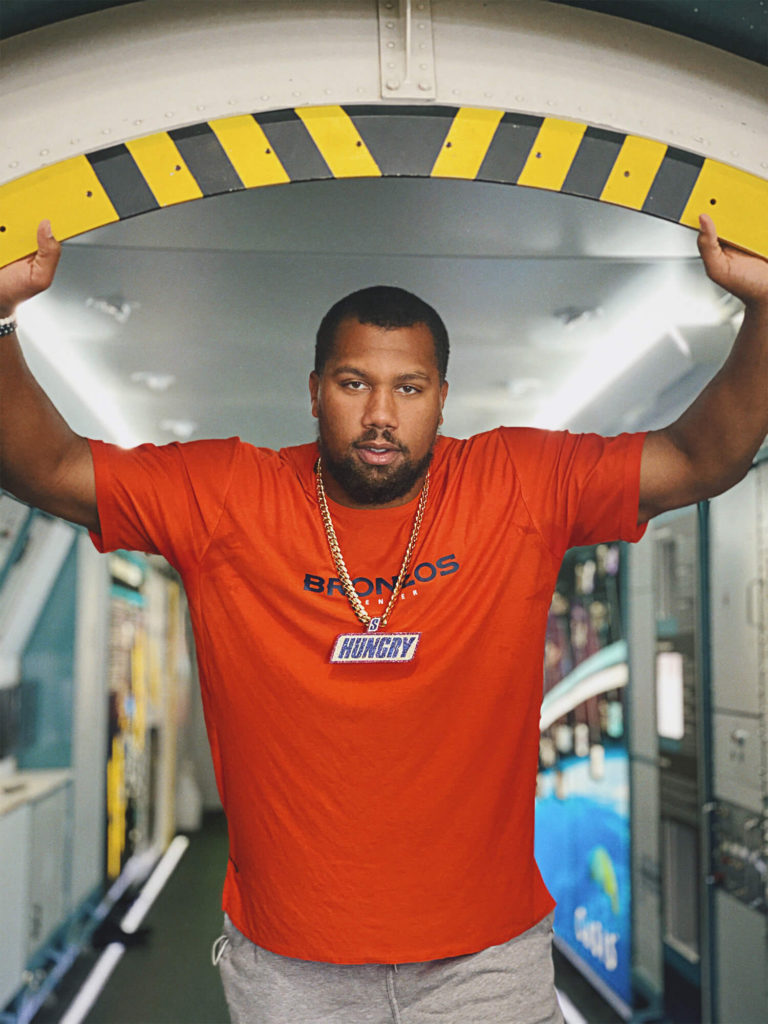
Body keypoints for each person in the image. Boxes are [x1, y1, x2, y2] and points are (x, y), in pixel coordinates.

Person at [1, 214, 767, 1024]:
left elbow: (698, 458)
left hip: (486, 960)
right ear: (313, 389)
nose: (380, 415)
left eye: (408, 388)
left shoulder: (518, 485)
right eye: (353, 382)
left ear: (441, 398)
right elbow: (44, 466)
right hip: (291, 966)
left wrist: (764, 310)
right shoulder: (227, 495)